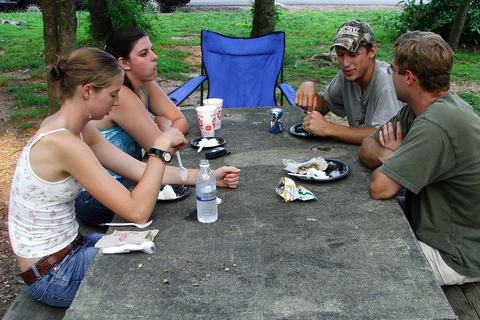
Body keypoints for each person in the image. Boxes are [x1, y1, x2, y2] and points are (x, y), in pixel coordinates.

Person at [8, 48, 240, 307]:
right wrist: (160, 148)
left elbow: (139, 170)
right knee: (162, 274)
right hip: (55, 274)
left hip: (72, 248)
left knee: (162, 244)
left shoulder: (77, 130)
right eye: (113, 94)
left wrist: (206, 177)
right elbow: (137, 211)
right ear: (87, 91)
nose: (117, 102)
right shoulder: (62, 143)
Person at [358, 31, 480, 286]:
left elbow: (380, 187)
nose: (389, 75)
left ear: (410, 78)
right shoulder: (421, 110)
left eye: (393, 70)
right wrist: (387, 154)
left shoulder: (436, 124)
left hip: (457, 254)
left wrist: (393, 158)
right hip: (439, 232)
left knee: (364, 266)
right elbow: (367, 145)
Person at [75, 27, 190, 225]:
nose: (154, 57)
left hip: (131, 176)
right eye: (144, 54)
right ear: (123, 63)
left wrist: (166, 131)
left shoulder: (145, 83)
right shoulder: (121, 96)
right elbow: (163, 151)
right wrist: (166, 130)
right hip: (97, 198)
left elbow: (180, 122)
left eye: (152, 50)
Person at [295, 20, 403, 145]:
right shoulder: (348, 75)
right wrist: (309, 90)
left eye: (353, 55)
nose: (345, 63)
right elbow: (324, 106)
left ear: (372, 51)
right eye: (340, 55)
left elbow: (383, 135)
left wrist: (329, 128)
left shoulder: (386, 81)